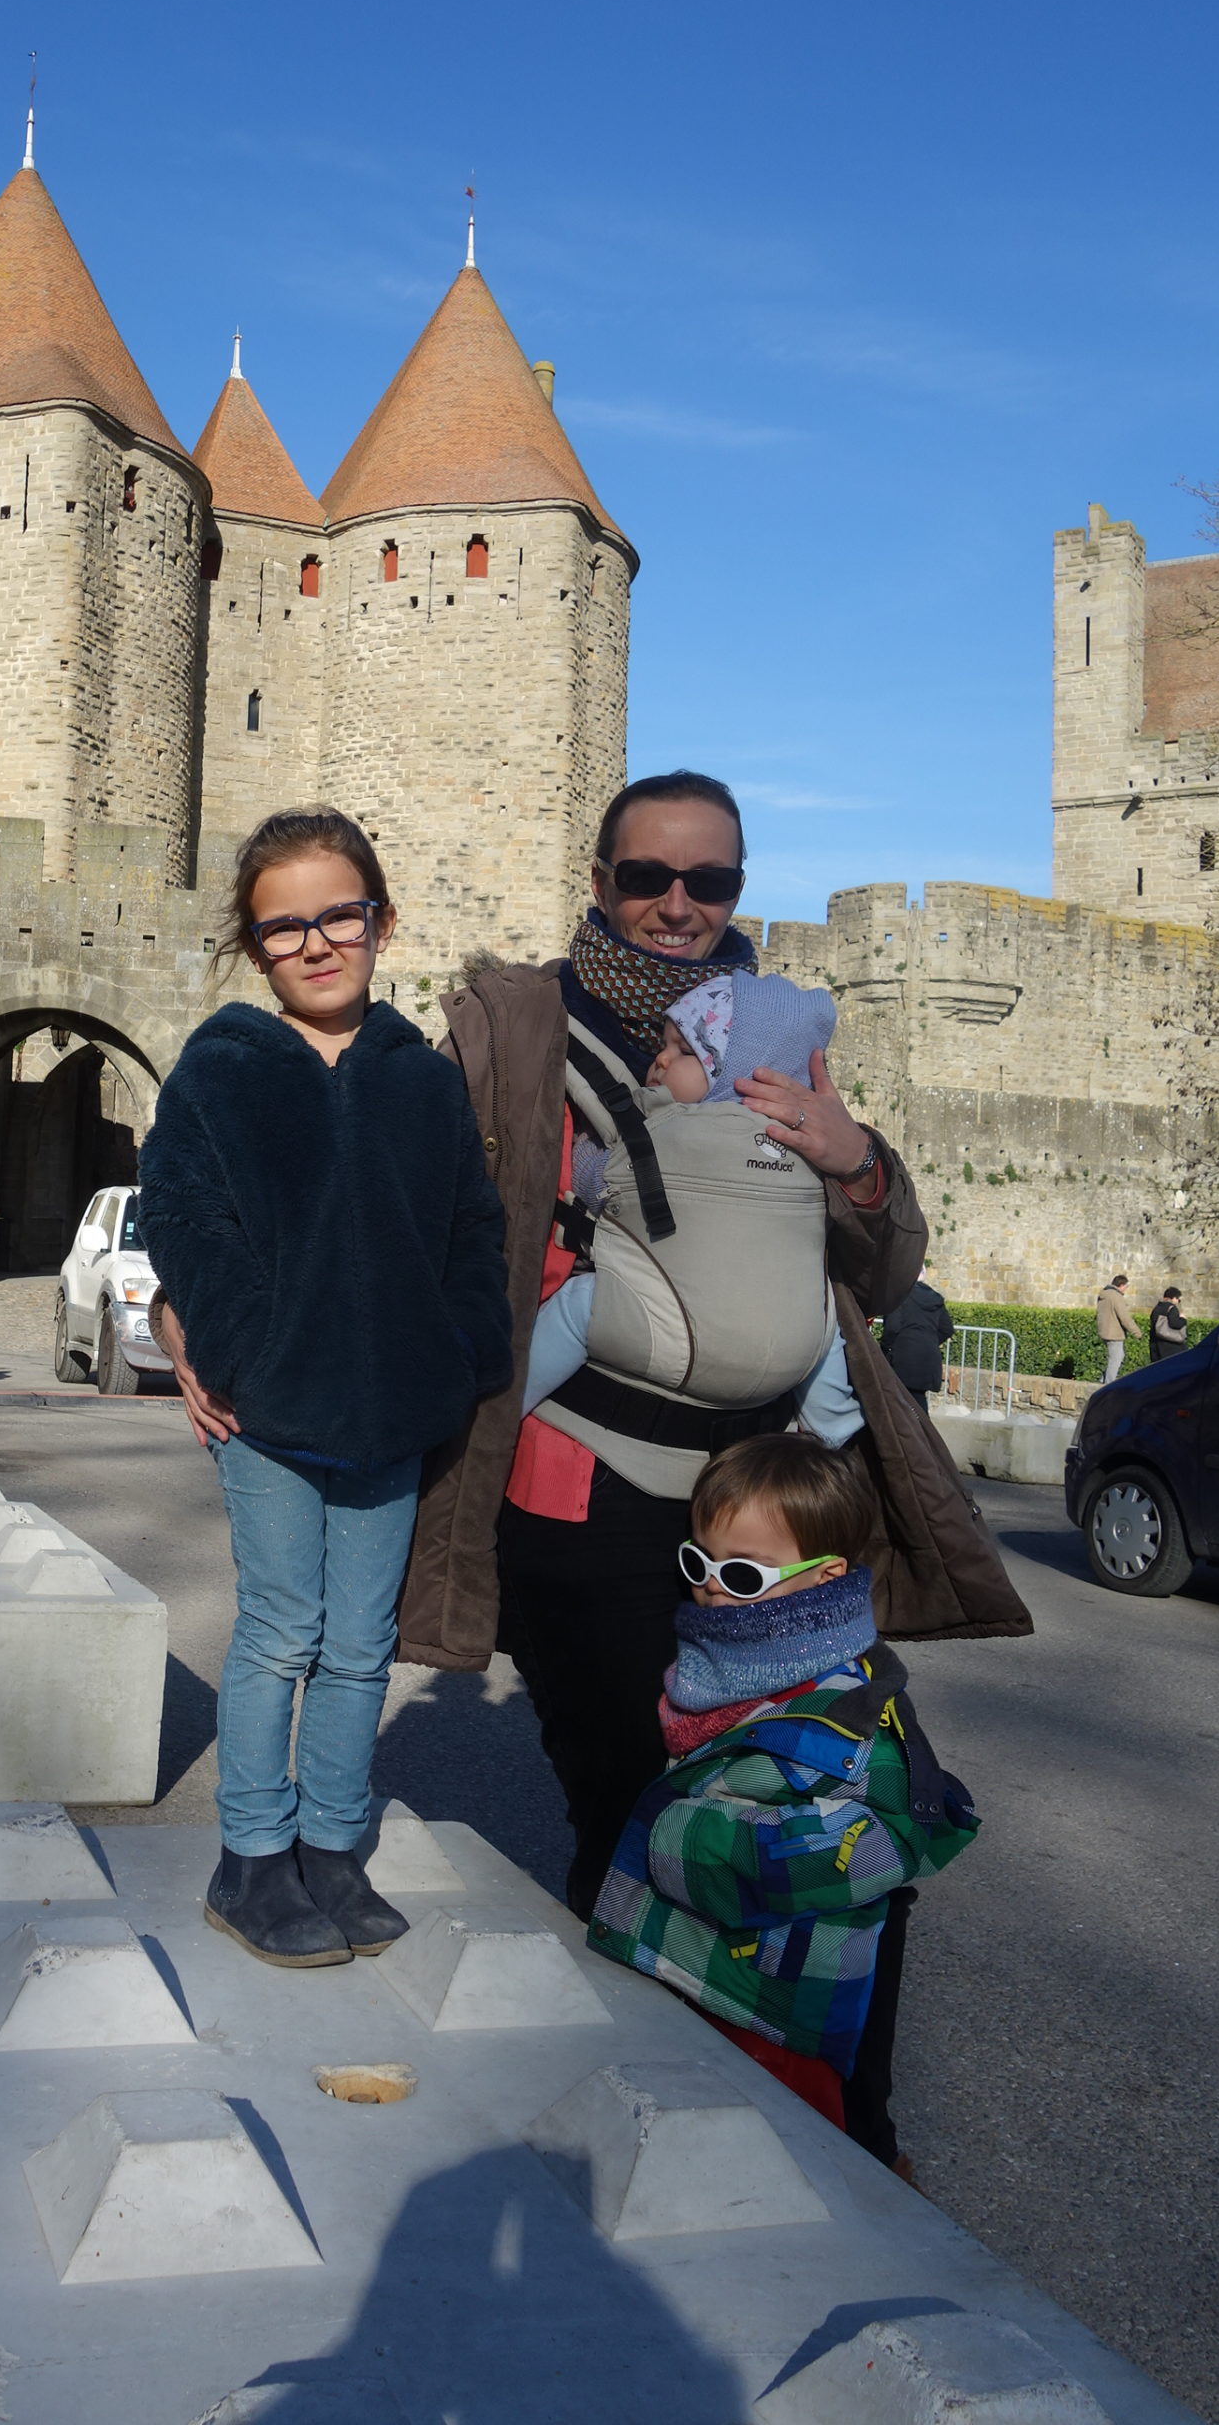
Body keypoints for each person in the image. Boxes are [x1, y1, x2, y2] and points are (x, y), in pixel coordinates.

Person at [389, 767, 1029, 1924]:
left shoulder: (777, 1032)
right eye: (647, 875)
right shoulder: (515, 1028)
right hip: (578, 1483)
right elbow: (399, 1211)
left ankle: (784, 2038)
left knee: (800, 1792)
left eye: (710, 880)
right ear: (601, 882)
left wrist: (858, 1163)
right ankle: (661, 2025)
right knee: (636, 1807)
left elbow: (881, 1271)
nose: (677, 903)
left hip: (758, 1497)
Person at [139, 808, 512, 1969]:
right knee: (279, 1629)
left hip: (393, 1410)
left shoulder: (423, 1081)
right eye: (284, 924)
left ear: (380, 921)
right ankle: (251, 1856)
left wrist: (457, 1354)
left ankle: (333, 1848)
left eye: (339, 914)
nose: (315, 942)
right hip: (268, 1412)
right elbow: (184, 1220)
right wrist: (238, 1351)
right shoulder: (220, 1071)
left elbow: (471, 1230)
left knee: (359, 1642)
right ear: (255, 945)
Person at [590, 1433, 978, 2180]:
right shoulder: (717, 1669)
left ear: (823, 1576)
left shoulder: (849, 1714)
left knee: (787, 2172)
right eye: (697, 1563)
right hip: (701, 1968)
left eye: (740, 1573)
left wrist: (673, 1840)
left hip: (775, 1999)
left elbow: (886, 1840)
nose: (711, 1589)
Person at [518, 969, 866, 1451]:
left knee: (582, 1304)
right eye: (664, 1044)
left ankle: (506, 1404)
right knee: (820, 1310)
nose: (660, 1059)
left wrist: (583, 1148)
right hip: (788, 1356)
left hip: (672, 1341)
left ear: (741, 1070)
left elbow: (600, 1183)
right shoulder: (812, 1151)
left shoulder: (672, 1131)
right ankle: (836, 1427)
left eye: (684, 1051)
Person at [879, 1265, 955, 1413]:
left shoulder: (900, 1296)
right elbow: (947, 1329)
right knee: (917, 1403)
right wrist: (929, 1341)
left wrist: (885, 1347)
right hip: (928, 1357)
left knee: (900, 1404)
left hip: (904, 1357)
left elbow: (892, 1327)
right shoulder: (935, 1299)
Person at [1095, 1274, 1135, 1384]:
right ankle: (1108, 1383)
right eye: (1126, 1287)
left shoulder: (1104, 1294)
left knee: (1117, 1356)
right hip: (1114, 1332)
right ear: (1121, 1285)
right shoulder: (1116, 1297)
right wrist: (1136, 1332)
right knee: (1116, 1358)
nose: (1125, 1290)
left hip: (1104, 1330)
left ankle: (1103, 1379)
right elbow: (1124, 1317)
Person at [1149, 1285, 1188, 1363]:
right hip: (1170, 1346)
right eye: (1179, 1300)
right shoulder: (1172, 1308)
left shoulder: (1157, 1307)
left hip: (1156, 1345)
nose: (1178, 1302)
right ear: (1174, 1298)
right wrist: (1183, 1319)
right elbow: (1174, 1324)